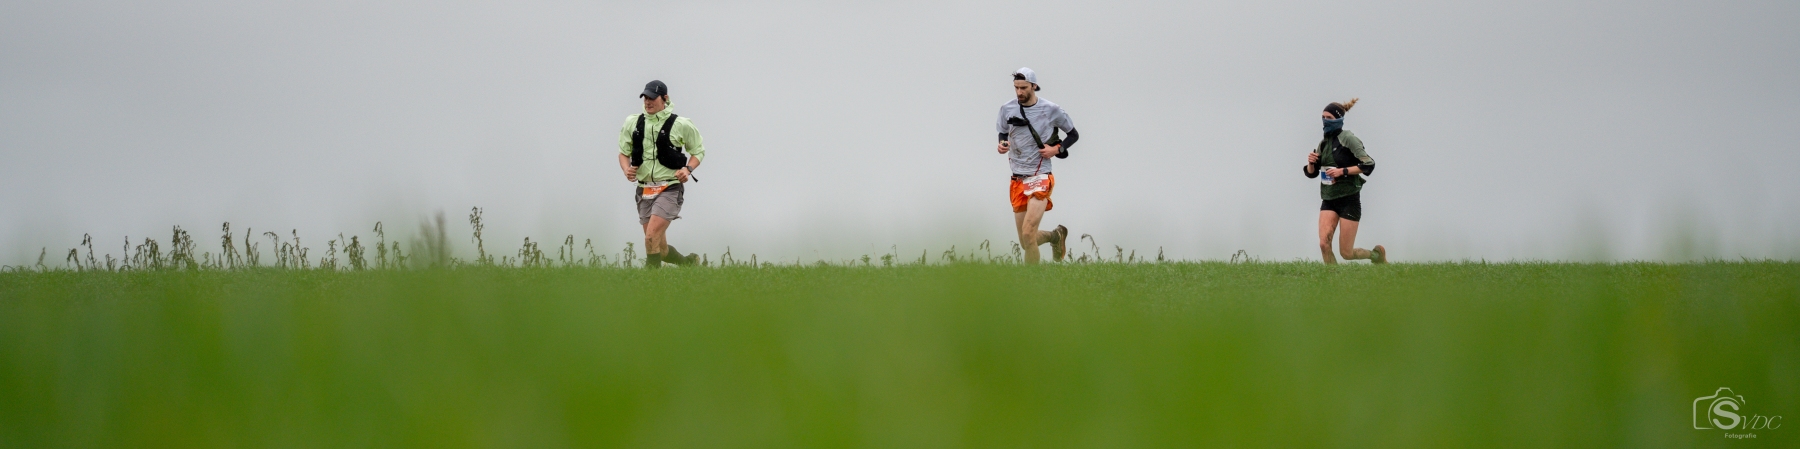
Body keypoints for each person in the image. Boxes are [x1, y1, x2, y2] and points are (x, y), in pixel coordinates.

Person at [617, 80, 705, 269]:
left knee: (650, 237)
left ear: (665, 98)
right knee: (659, 247)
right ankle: (689, 264)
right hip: (644, 190)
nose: (647, 102)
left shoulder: (681, 124)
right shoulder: (633, 122)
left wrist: (687, 169)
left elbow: (698, 151)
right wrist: (626, 169)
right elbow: (623, 153)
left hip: (669, 188)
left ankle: (651, 282)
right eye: (645, 98)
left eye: (652, 98)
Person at [996, 68, 1080, 264]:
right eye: (1016, 88)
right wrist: (1002, 144)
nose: (1019, 92)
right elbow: (1002, 132)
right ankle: (1055, 236)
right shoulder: (1007, 108)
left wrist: (1056, 149)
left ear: (1034, 86)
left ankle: (1031, 279)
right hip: (1017, 178)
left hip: (1040, 175)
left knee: (1028, 233)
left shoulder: (1051, 109)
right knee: (1026, 241)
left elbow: (1073, 135)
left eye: (1024, 88)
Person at [1302, 98, 1387, 264]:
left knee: (1346, 253)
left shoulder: (1348, 138)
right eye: (1323, 117)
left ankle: (1376, 256)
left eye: (1329, 118)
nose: (1325, 121)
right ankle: (1332, 278)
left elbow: (1368, 164)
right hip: (1329, 198)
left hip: (1349, 199)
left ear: (1339, 119)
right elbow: (1312, 174)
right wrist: (1311, 163)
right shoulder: (1323, 143)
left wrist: (1342, 171)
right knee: (1324, 244)